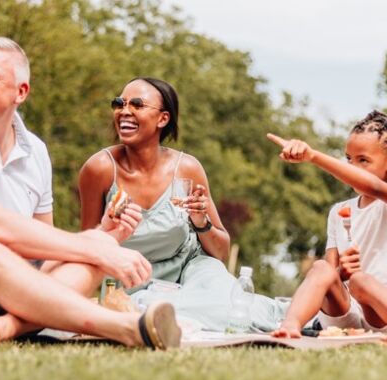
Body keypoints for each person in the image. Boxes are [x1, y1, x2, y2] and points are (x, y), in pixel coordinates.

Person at [0, 37, 181, 350]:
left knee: (98, 245)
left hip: (1, 289)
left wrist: (103, 236)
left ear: (21, 92)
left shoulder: (36, 151)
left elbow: (44, 248)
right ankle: (127, 328)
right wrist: (95, 248)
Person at [78, 77, 284, 331]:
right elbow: (85, 244)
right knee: (148, 309)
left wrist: (201, 222)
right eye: (119, 103)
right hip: (130, 280)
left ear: (163, 119)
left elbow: (220, 253)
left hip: (192, 272)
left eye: (137, 105)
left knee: (233, 308)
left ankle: (284, 313)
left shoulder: (187, 168)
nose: (124, 111)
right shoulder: (99, 168)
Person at [268, 110, 387, 345]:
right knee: (321, 268)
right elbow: (330, 277)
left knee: (361, 281)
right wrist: (342, 273)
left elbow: (373, 187)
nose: (353, 167)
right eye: (349, 159)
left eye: (363, 160)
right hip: (348, 315)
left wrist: (313, 156)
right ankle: (289, 327)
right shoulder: (339, 211)